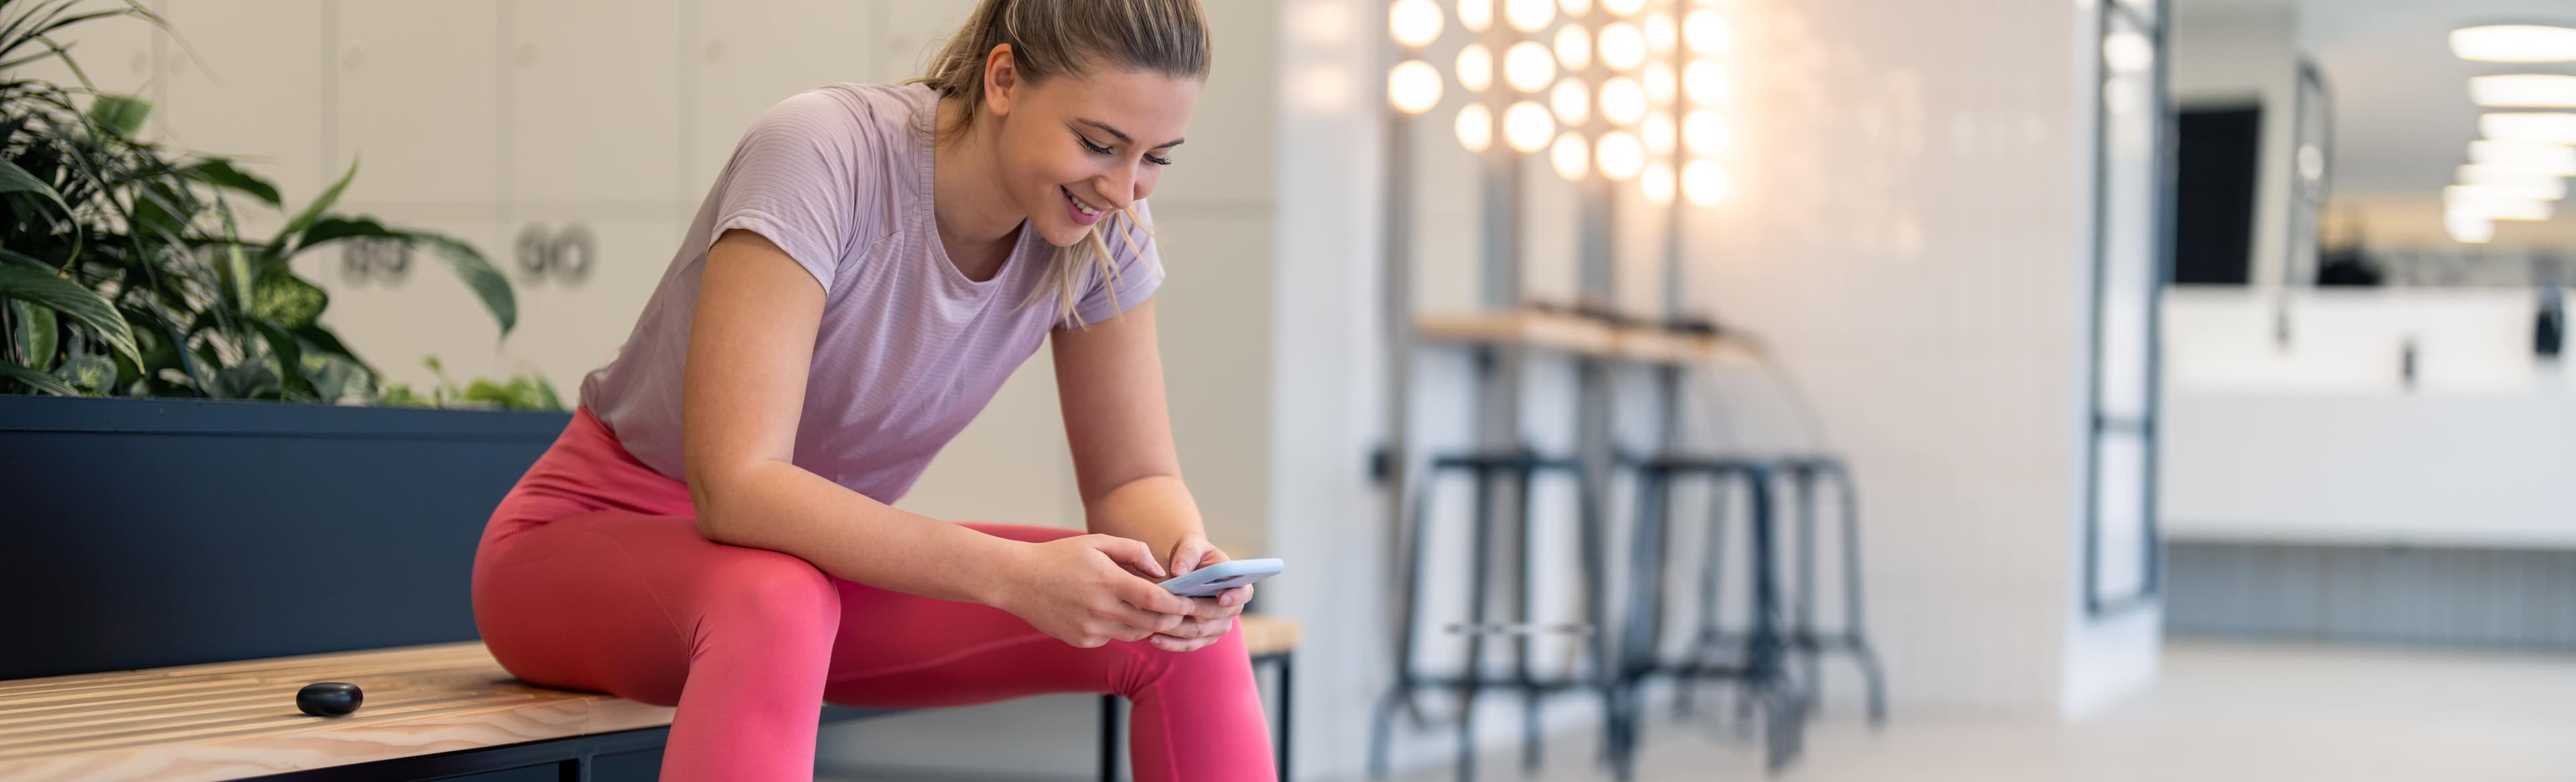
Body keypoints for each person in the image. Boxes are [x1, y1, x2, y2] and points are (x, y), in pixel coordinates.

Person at [468, 1, 1271, 779]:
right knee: (777, 601)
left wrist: (1182, 568)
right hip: (590, 540)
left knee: (1176, 635)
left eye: (1158, 157)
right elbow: (737, 488)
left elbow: (1134, 479)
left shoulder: (1110, 228)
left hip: (811, 576)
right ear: (1002, 80)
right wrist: (1015, 576)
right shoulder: (820, 152)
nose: (1126, 189)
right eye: (1099, 143)